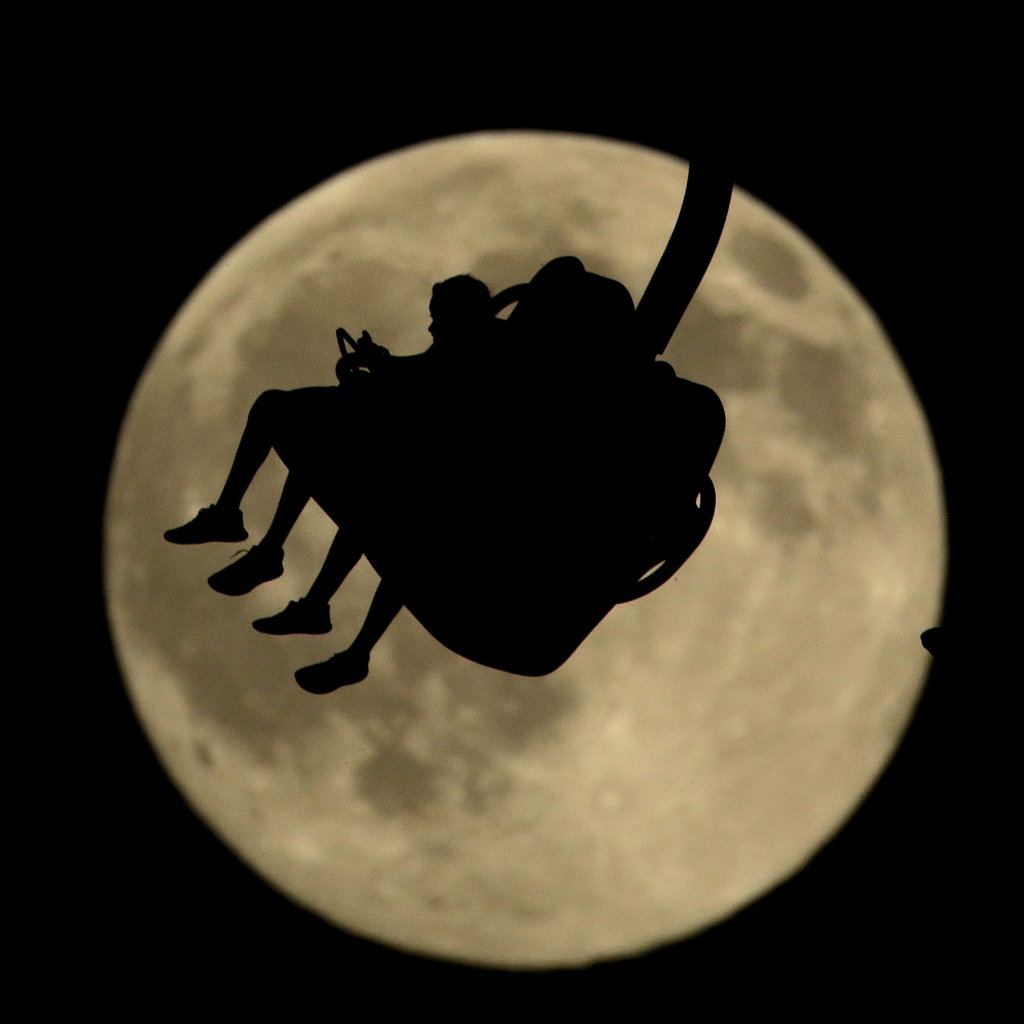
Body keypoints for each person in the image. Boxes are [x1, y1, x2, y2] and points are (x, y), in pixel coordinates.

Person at [164, 274, 501, 691]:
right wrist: (381, 367)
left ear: (462, 314)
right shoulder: (464, 343)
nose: (432, 328)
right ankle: (268, 552)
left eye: (438, 319)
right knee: (306, 433)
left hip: (443, 485)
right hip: (415, 465)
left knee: (375, 508)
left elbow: (441, 388)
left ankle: (324, 616)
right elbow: (427, 375)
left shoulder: (490, 348)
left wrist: (383, 370)